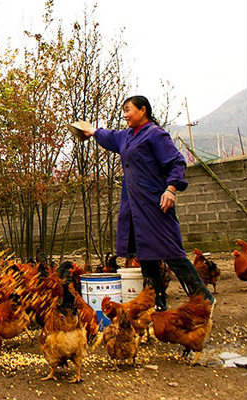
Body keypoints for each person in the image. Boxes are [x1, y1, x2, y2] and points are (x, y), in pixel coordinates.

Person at [81, 95, 214, 311]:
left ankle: (205, 299)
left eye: (128, 110)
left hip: (155, 204)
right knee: (147, 257)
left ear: (143, 110)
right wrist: (93, 131)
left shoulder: (155, 134)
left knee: (172, 253)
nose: (125, 115)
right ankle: (158, 306)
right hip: (134, 207)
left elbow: (177, 162)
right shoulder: (127, 137)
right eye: (124, 111)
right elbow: (110, 136)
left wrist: (171, 189)